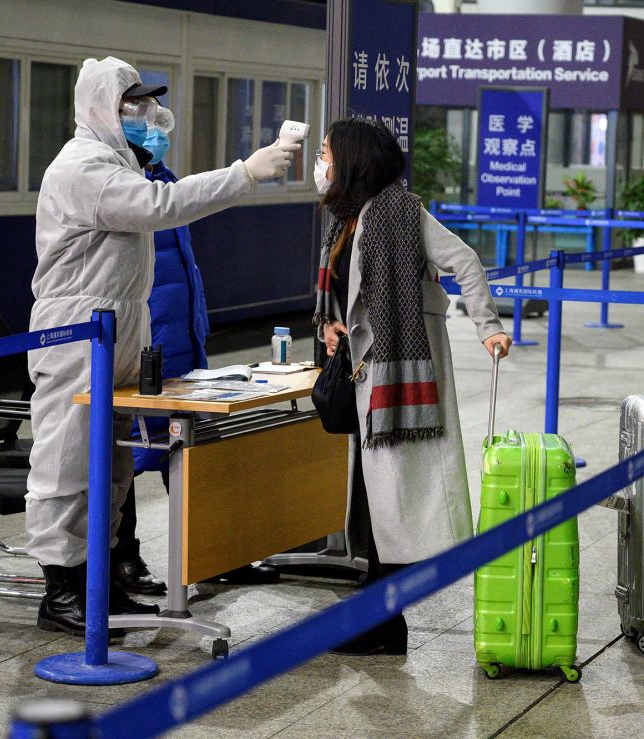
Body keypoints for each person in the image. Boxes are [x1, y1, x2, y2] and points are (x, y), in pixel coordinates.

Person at [26, 55, 299, 636]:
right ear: (101, 106)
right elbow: (160, 208)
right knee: (68, 462)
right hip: (77, 330)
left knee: (113, 462)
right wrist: (244, 173)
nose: (149, 114)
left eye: (149, 102)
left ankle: (96, 583)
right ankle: (59, 591)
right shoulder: (83, 167)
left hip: (119, 326)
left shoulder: (122, 162)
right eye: (134, 103)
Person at [314, 118, 511, 655]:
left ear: (352, 159)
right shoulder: (347, 218)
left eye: (327, 152)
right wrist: (332, 325)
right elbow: (345, 297)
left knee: (393, 498)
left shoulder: (398, 213)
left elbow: (465, 262)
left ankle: (379, 621)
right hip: (367, 377)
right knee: (380, 499)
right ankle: (381, 621)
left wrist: (488, 327)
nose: (321, 162)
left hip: (400, 378)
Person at [112, 105, 280, 596]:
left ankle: (210, 553)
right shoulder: (121, 185)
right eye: (143, 123)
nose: (157, 133)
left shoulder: (162, 178)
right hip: (144, 344)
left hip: (183, 343)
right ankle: (123, 559)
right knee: (129, 453)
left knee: (186, 452)